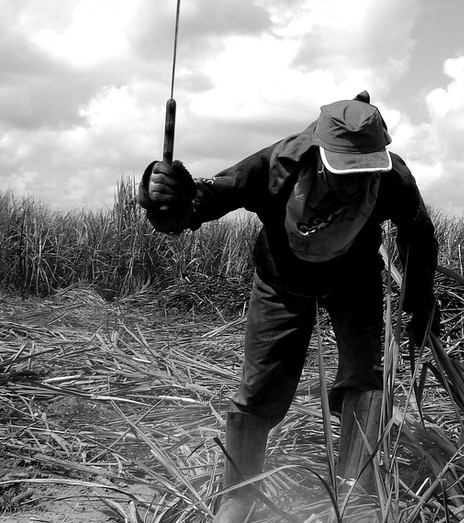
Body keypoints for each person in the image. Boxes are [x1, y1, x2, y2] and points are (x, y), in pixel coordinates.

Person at [137, 91, 440, 522]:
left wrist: (420, 303)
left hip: (353, 279)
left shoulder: (390, 176)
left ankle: (356, 492)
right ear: (319, 153)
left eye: (363, 171)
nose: (353, 182)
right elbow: (200, 203)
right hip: (282, 280)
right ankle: (238, 494)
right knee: (260, 387)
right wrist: (166, 194)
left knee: (366, 379)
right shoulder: (276, 166)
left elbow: (418, 235)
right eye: (343, 171)